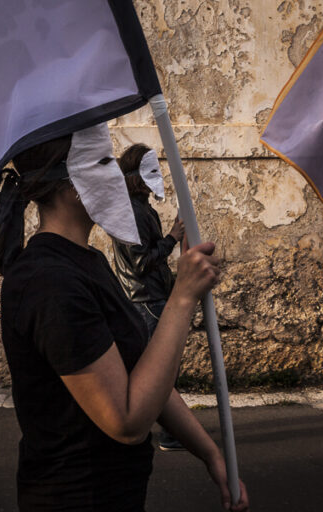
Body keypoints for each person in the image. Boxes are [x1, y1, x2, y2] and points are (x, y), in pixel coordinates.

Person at [0, 124, 249, 511]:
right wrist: (182, 295)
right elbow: (125, 420)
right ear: (72, 184)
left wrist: (212, 455)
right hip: (76, 498)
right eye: (104, 161)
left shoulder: (87, 262)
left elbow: (141, 375)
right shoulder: (49, 282)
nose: (117, 175)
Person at [112, 143, 185, 451]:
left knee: (152, 368)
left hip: (150, 297)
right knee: (159, 369)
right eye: (152, 170)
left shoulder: (139, 208)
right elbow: (141, 262)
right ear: (136, 175)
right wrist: (171, 239)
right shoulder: (132, 211)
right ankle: (167, 432)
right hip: (146, 300)